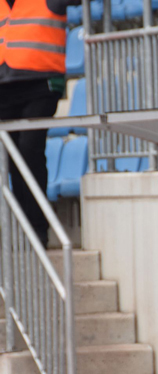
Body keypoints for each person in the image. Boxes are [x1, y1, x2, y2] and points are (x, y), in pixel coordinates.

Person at [0, 0, 80, 247]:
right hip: (5, 87)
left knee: (30, 149)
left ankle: (37, 229)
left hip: (42, 84)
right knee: (11, 157)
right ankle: (23, 229)